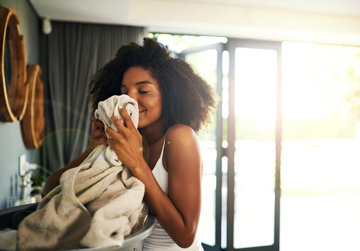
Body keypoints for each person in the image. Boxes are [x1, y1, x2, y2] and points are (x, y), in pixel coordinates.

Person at [42, 37, 216, 250]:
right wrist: (94, 149)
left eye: (143, 91)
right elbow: (49, 189)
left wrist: (136, 161)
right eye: (124, 92)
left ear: (169, 95)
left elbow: (185, 235)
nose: (130, 99)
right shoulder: (124, 140)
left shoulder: (180, 137)